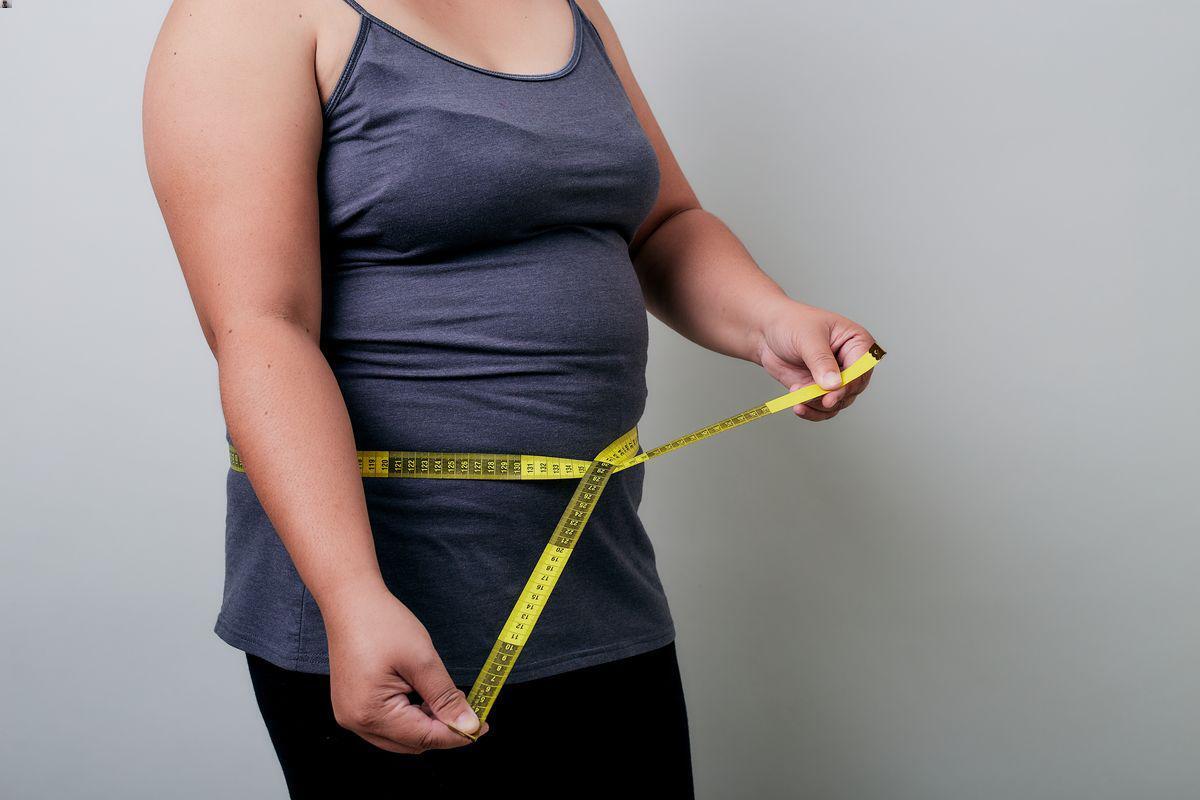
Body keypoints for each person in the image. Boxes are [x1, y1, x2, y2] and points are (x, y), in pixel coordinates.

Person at [143, 0, 878, 795]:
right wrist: (351, 596)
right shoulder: (246, 16)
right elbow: (260, 328)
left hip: (596, 575)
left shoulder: (571, 8)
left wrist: (774, 320)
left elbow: (662, 223)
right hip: (385, 604)